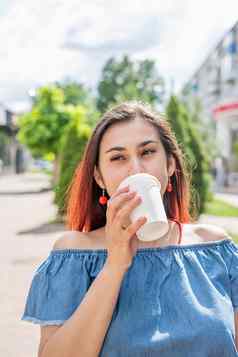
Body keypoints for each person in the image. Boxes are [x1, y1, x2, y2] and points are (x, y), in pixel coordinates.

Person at [21, 101, 238, 357]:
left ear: (170, 165)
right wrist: (115, 265)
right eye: (118, 157)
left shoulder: (215, 249)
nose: (135, 168)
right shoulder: (73, 254)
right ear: (99, 178)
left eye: (147, 152)